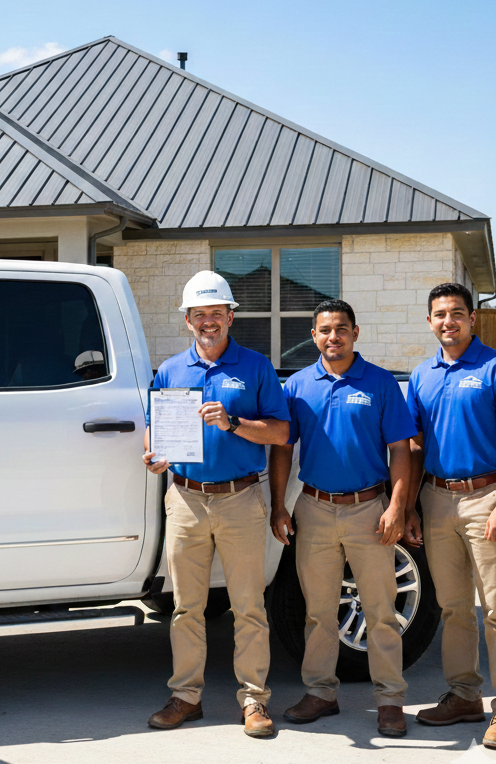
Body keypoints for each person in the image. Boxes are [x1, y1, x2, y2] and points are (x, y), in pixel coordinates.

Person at [143, 270, 290, 739]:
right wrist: (154, 454)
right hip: (185, 499)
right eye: (199, 314)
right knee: (186, 607)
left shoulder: (257, 367)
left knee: (248, 606)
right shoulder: (170, 371)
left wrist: (233, 423)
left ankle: (254, 700)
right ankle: (186, 697)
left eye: (216, 313)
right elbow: (154, 427)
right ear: (187, 320)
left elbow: (281, 433)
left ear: (230, 316)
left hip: (240, 499)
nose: (208, 321)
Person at [270, 299, 414, 738]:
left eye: (342, 328)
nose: (334, 336)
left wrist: (396, 507)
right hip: (313, 509)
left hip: (369, 509)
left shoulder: (380, 382)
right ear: (313, 335)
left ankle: (390, 700)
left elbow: (401, 450)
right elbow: (282, 449)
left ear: (355, 333)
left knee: (380, 611)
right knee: (318, 612)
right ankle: (320, 693)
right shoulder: (297, 386)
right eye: (325, 329)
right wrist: (279, 505)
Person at [403, 282, 496, 749]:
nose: (448, 321)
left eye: (456, 312)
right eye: (439, 314)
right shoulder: (422, 376)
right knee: (454, 607)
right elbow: (415, 445)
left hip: (486, 497)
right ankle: (464, 696)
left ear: (472, 318)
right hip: (437, 499)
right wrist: (411, 505)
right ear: (429, 321)